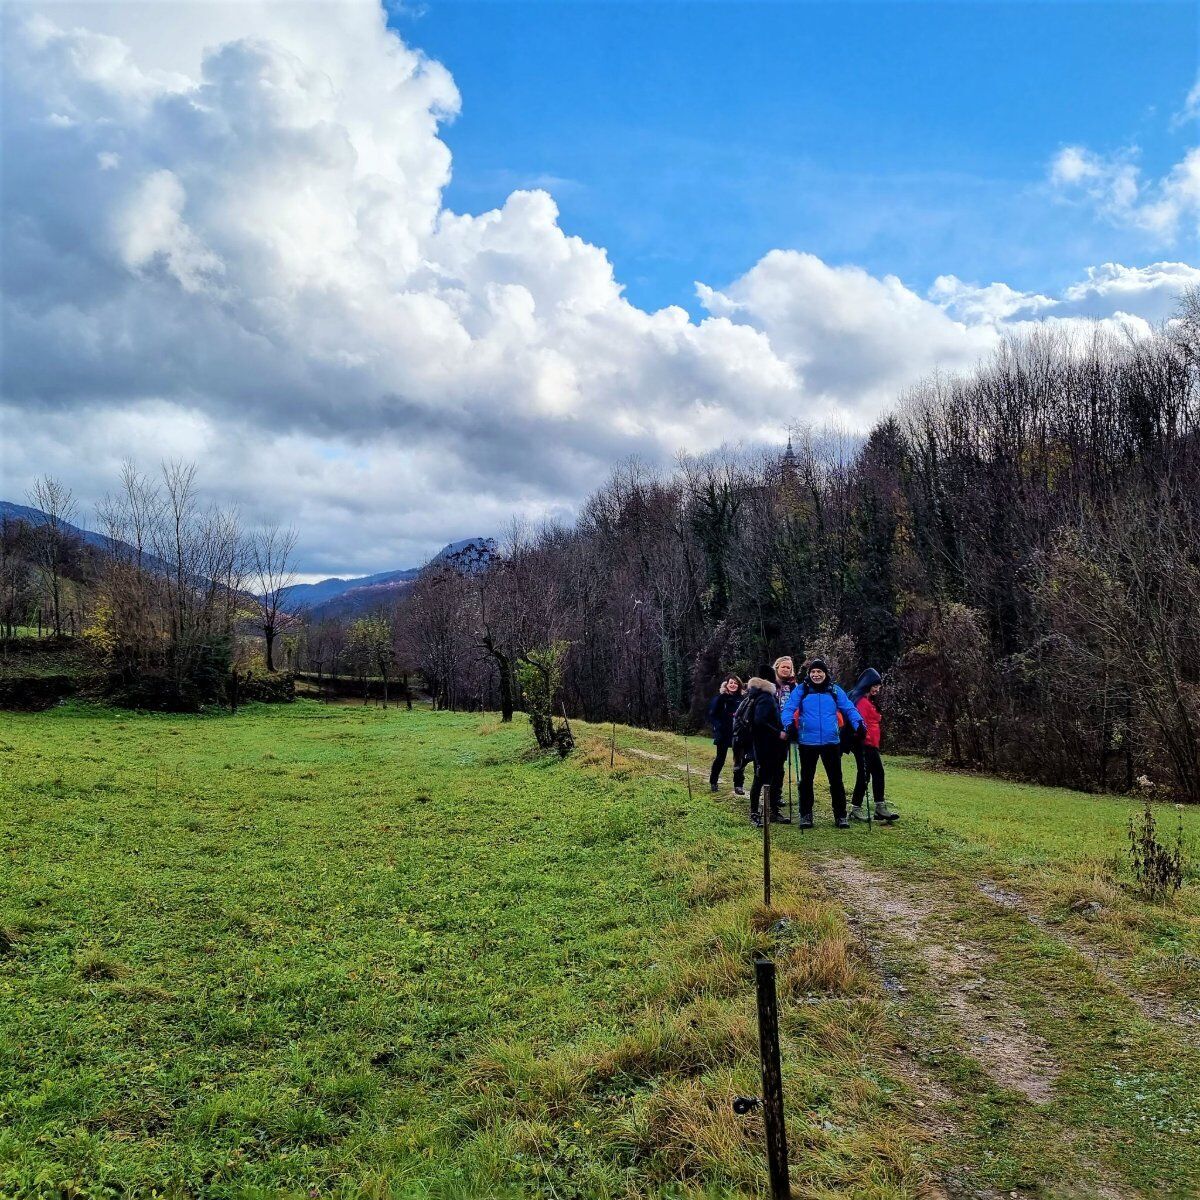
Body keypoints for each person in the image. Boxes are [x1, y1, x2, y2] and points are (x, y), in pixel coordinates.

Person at [780, 658, 864, 829]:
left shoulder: (834, 690)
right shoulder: (802, 690)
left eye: (819, 672)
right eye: (813, 672)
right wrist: (789, 725)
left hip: (831, 741)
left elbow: (849, 708)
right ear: (809, 674)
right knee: (806, 781)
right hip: (807, 742)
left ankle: (840, 816)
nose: (816, 675)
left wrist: (859, 724)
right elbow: (788, 709)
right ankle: (806, 815)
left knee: (836, 780)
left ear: (825, 674)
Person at [848, 668, 899, 823]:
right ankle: (869, 808)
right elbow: (860, 723)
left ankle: (872, 807)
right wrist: (864, 740)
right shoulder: (862, 702)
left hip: (871, 744)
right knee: (870, 774)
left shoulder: (867, 700)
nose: (878, 688)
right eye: (875, 685)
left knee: (869, 774)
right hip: (865, 744)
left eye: (879, 686)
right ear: (867, 684)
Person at [745, 676, 789, 827]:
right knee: (762, 779)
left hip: (766, 746)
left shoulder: (759, 696)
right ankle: (755, 813)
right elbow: (760, 721)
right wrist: (778, 733)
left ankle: (770, 811)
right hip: (766, 746)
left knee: (770, 777)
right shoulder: (766, 698)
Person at [707, 675, 746, 794]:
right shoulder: (720, 698)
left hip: (738, 733)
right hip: (723, 733)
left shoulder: (743, 699)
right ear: (726, 684)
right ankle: (713, 782)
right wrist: (718, 727)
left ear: (739, 685)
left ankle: (738, 785)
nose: (733, 685)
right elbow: (712, 715)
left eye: (735, 683)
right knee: (720, 758)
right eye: (731, 683)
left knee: (739, 760)